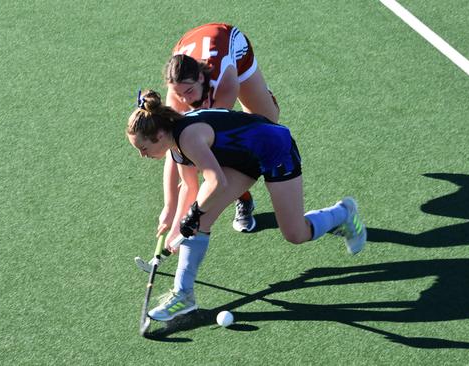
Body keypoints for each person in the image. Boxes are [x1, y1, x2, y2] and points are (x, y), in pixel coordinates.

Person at [127, 90, 367, 321]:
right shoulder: (174, 145)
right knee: (199, 221)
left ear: (158, 135)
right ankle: (184, 295)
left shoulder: (188, 137)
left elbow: (216, 181)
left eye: (143, 148)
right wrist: (177, 228)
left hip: (275, 150)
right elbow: (189, 188)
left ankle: (344, 214)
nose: (142, 155)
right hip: (242, 159)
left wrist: (194, 213)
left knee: (295, 233)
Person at [135, 23, 280, 272]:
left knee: (265, 122)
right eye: (180, 95)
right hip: (191, 47)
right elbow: (176, 150)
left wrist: (185, 217)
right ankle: (244, 197)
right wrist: (170, 208)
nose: (185, 100)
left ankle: (263, 96)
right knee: (192, 145)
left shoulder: (224, 82)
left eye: (189, 92)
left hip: (231, 47)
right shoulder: (177, 94)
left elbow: (211, 143)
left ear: (201, 78)